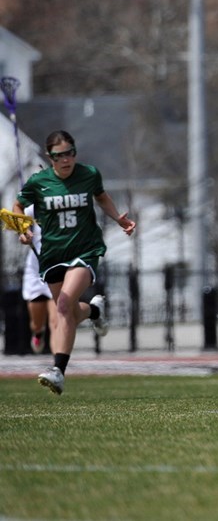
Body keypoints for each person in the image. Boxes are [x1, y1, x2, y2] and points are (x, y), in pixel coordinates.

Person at [13, 130, 135, 395]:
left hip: (85, 249)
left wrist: (118, 219)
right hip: (53, 254)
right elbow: (17, 207)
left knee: (64, 305)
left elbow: (101, 197)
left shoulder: (89, 174)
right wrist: (23, 231)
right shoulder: (38, 182)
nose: (66, 160)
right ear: (50, 157)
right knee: (67, 310)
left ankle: (58, 370)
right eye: (59, 156)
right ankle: (94, 311)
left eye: (70, 153)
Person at [21, 205, 53, 354]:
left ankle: (58, 363)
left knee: (57, 319)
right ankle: (38, 333)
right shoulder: (36, 203)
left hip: (59, 265)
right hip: (37, 267)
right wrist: (23, 233)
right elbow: (20, 213)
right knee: (36, 323)